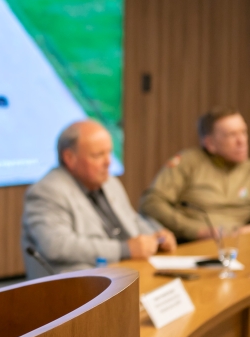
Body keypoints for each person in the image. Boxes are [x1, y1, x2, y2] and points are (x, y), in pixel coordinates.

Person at [21, 120, 176, 278]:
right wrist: (124, 249)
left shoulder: (109, 182)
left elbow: (132, 219)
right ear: (69, 158)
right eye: (98, 155)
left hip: (129, 271)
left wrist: (156, 236)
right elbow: (56, 245)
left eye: (109, 153)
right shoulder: (47, 191)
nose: (108, 162)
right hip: (81, 285)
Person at [140, 107, 250, 241]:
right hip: (194, 243)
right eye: (231, 135)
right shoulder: (188, 163)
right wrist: (196, 231)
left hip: (239, 243)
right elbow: (151, 204)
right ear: (210, 143)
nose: (242, 141)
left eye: (244, 132)